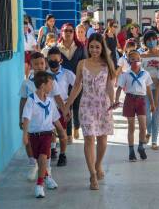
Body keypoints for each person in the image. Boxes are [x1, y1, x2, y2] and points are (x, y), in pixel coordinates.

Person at [64, 33, 116, 190]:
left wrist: (112, 101)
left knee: (102, 139)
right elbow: (77, 86)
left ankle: (98, 164)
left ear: (102, 48)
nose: (94, 50)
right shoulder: (82, 64)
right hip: (86, 104)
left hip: (103, 105)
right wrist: (67, 105)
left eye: (97, 47)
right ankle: (92, 174)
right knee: (88, 139)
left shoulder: (107, 65)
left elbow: (109, 86)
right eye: (91, 47)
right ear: (88, 47)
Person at [19, 52, 69, 170]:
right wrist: (20, 117)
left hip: (50, 113)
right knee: (31, 139)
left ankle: (61, 154)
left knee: (61, 133)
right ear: (31, 66)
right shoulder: (26, 83)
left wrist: (65, 110)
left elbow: (58, 97)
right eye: (36, 64)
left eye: (42, 63)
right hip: (33, 117)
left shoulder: (51, 80)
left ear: (45, 64)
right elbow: (23, 101)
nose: (39, 66)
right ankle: (32, 163)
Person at [22, 71, 64, 198]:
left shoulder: (50, 101)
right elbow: (26, 118)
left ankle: (39, 185)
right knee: (40, 161)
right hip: (34, 135)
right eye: (50, 84)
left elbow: (55, 118)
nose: (52, 87)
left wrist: (61, 131)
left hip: (47, 134)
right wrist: (25, 134)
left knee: (43, 158)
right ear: (42, 85)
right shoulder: (31, 100)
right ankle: (47, 177)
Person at [115, 50, 155, 161]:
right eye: (132, 59)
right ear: (128, 61)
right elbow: (119, 88)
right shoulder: (125, 74)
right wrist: (116, 100)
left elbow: (148, 89)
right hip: (130, 100)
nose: (135, 61)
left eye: (137, 58)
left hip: (141, 101)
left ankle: (141, 147)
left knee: (143, 126)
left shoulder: (145, 74)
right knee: (131, 126)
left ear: (140, 60)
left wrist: (152, 103)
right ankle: (131, 151)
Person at [57, 23, 87, 142]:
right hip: (63, 82)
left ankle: (76, 127)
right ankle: (68, 133)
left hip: (78, 81)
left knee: (76, 106)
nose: (68, 33)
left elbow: (84, 63)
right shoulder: (57, 47)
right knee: (66, 105)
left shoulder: (80, 47)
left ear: (73, 33)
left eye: (70, 31)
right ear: (62, 32)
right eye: (65, 31)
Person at [46, 47, 76, 152]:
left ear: (60, 60)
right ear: (47, 60)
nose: (53, 62)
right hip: (47, 106)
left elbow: (78, 85)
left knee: (62, 131)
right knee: (49, 130)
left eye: (56, 60)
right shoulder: (44, 75)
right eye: (50, 60)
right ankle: (53, 149)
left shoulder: (67, 73)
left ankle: (63, 154)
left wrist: (69, 103)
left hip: (62, 106)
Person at [141, 30, 159, 150]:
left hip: (158, 89)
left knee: (156, 115)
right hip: (146, 89)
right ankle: (148, 131)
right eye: (148, 40)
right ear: (145, 42)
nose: (151, 42)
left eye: (153, 39)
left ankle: (154, 141)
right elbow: (140, 73)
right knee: (146, 115)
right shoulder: (142, 56)